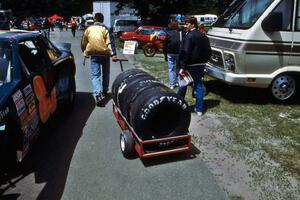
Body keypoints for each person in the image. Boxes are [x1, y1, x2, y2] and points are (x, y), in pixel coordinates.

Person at [81, 12, 118, 106]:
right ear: (102, 20)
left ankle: (97, 94)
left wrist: (85, 52)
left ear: (95, 19)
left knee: (95, 75)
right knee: (106, 73)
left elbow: (84, 42)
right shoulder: (106, 28)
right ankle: (105, 91)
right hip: (105, 54)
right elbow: (110, 42)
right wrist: (114, 55)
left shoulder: (88, 29)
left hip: (94, 54)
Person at [177, 16, 211, 116]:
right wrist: (205, 61)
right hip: (200, 65)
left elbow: (186, 52)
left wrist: (182, 67)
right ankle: (199, 109)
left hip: (190, 65)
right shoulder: (203, 35)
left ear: (193, 24)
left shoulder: (190, 35)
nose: (185, 26)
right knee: (199, 86)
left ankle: (178, 106)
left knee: (183, 85)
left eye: (187, 24)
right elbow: (209, 50)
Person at [163, 20, 182, 89]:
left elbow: (164, 45)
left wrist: (165, 55)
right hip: (178, 53)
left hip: (170, 53)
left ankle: (171, 84)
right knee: (177, 68)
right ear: (177, 25)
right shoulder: (180, 33)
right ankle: (177, 82)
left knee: (171, 69)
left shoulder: (168, 33)